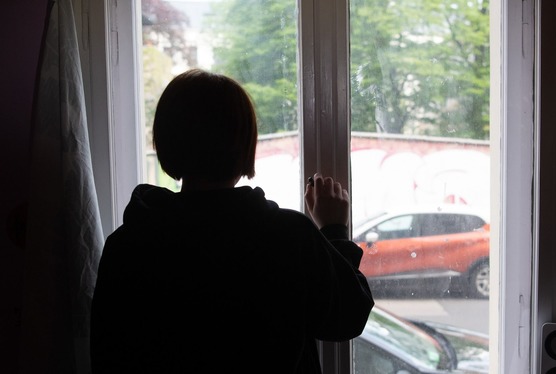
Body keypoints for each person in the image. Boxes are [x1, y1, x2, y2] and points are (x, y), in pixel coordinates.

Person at [89, 68, 374, 373]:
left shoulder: (128, 245)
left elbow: (109, 357)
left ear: (166, 142)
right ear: (244, 146)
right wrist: (333, 230)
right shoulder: (288, 236)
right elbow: (347, 317)